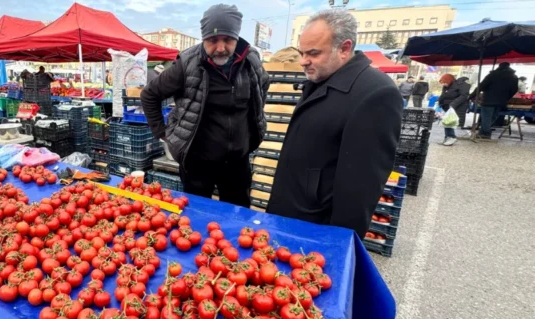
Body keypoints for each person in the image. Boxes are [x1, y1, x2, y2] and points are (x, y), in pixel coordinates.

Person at [265, 9, 401, 237]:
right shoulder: (322, 78)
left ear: (345, 48)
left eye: (313, 53)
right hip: (291, 215)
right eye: (302, 52)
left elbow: (359, 192)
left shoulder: (376, 94)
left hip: (317, 228)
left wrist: (337, 245)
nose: (303, 61)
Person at [141, 4, 269, 207]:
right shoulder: (186, 63)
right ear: (203, 39)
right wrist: (162, 132)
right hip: (197, 161)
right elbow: (149, 95)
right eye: (212, 40)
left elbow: (262, 89)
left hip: (237, 160)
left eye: (227, 40)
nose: (220, 48)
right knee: (197, 214)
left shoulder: (251, 62)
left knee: (239, 213)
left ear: (237, 37)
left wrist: (254, 125)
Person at [477, 62, 519, 139]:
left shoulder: (492, 75)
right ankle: (483, 131)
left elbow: (482, 86)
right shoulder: (513, 77)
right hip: (501, 101)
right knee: (493, 116)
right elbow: (514, 90)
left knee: (486, 117)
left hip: (488, 100)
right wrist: (507, 97)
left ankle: (485, 133)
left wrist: (472, 96)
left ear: (499, 66)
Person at [437, 74, 470, 145]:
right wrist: (439, 101)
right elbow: (443, 95)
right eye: (442, 82)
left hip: (457, 106)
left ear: (449, 80)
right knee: (447, 122)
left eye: (444, 82)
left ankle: (452, 137)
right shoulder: (447, 86)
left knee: (450, 122)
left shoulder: (461, 85)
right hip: (448, 106)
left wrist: (453, 104)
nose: (444, 84)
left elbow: (464, 96)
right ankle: (447, 137)